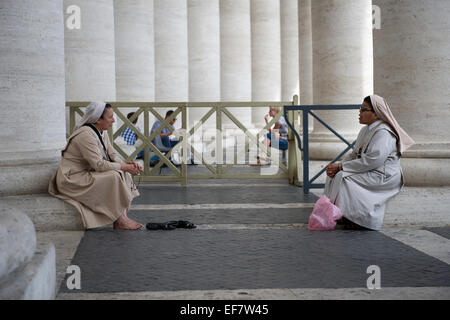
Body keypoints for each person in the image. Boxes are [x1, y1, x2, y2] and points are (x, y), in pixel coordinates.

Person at [324, 94, 415, 230]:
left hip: (383, 175)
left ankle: (359, 219)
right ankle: (339, 214)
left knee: (343, 178)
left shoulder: (384, 132)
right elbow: (355, 154)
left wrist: (342, 167)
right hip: (370, 169)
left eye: (363, 109)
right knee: (333, 176)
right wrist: (338, 165)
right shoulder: (365, 130)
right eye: (360, 108)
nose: (359, 112)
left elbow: (374, 160)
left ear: (376, 114)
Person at [48, 102, 144, 230]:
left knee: (123, 172)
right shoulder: (85, 135)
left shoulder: (101, 132)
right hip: (72, 178)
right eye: (110, 117)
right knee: (114, 176)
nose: (114, 120)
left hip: (88, 172)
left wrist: (126, 165)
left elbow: (112, 154)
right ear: (98, 119)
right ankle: (120, 220)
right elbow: (98, 164)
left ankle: (122, 219)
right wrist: (123, 167)